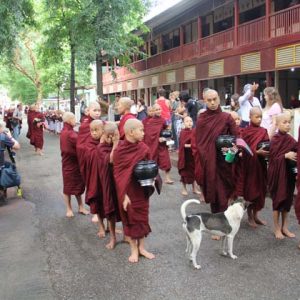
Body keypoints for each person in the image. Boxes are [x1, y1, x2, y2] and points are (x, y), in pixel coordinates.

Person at [113, 119, 156, 263]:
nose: (144, 133)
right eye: (141, 130)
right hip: (127, 191)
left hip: (141, 189)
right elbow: (118, 174)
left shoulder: (143, 148)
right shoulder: (120, 150)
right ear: (131, 132)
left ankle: (142, 248)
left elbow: (150, 166)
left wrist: (153, 178)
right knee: (130, 219)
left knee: (142, 218)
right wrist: (123, 195)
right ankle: (133, 249)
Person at [195, 89, 237, 219]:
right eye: (209, 100)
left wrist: (232, 150)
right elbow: (200, 143)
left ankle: (223, 221)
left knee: (224, 193)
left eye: (215, 99)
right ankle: (216, 221)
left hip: (224, 161)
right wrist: (208, 155)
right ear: (204, 101)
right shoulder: (202, 119)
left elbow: (237, 138)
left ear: (219, 99)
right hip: (210, 162)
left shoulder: (227, 117)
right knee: (214, 192)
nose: (213, 103)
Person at [268, 113, 297, 240]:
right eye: (284, 122)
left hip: (289, 174)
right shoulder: (275, 139)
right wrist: (285, 156)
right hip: (277, 175)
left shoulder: (291, 139)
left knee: (287, 201)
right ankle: (276, 228)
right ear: (278, 124)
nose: (287, 124)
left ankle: (285, 227)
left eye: (288, 122)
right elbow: (272, 159)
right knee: (278, 201)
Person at [242, 107, 269, 228]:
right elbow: (244, 149)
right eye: (256, 117)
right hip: (250, 167)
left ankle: (256, 215)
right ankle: (249, 216)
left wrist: (267, 152)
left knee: (260, 191)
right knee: (251, 191)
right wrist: (256, 152)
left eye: (260, 117)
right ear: (250, 116)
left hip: (261, 165)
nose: (259, 119)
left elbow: (267, 144)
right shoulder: (245, 132)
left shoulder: (263, 131)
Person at [96, 122, 121, 249]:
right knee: (111, 209)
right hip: (107, 181)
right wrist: (115, 144)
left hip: (120, 181)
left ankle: (127, 235)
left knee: (123, 208)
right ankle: (112, 237)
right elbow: (111, 160)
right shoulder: (101, 147)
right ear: (104, 135)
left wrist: (117, 143)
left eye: (113, 136)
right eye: (109, 136)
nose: (111, 139)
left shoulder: (120, 144)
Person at [60, 112, 89, 218]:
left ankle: (81, 207)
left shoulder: (67, 131)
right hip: (70, 162)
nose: (75, 120)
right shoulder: (69, 133)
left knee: (77, 185)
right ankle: (69, 209)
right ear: (68, 120)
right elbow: (80, 146)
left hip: (73, 163)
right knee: (67, 187)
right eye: (73, 118)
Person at [76, 102, 101, 224]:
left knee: (102, 186)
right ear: (88, 111)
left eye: (99, 111)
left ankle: (101, 212)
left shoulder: (99, 123)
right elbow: (81, 145)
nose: (97, 113)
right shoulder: (85, 125)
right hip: (90, 159)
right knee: (93, 185)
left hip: (100, 159)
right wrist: (90, 152)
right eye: (95, 110)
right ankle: (95, 212)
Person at [84, 120, 106, 236]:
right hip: (95, 179)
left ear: (103, 130)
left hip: (106, 178)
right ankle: (101, 227)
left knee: (109, 202)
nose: (93, 133)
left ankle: (110, 227)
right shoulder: (90, 143)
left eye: (96, 130)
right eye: (91, 130)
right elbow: (91, 156)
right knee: (98, 203)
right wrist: (101, 145)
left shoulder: (108, 142)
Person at [143, 104, 174, 184]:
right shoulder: (150, 122)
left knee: (166, 160)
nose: (158, 111)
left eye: (159, 109)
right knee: (154, 160)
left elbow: (165, 130)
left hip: (162, 144)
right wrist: (157, 139)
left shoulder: (163, 120)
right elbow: (148, 135)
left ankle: (167, 178)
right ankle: (155, 178)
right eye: (156, 110)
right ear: (153, 111)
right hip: (153, 144)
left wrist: (165, 137)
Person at [178, 116, 201, 196]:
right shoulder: (183, 132)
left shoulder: (195, 131)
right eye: (187, 121)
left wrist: (194, 146)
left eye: (191, 121)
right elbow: (182, 145)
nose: (189, 123)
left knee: (194, 172)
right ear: (184, 123)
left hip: (193, 155)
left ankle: (194, 188)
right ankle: (184, 188)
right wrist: (192, 145)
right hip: (185, 156)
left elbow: (198, 142)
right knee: (185, 173)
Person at [0, 121, 20, 205]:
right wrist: (10, 137)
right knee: (9, 167)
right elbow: (17, 146)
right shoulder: (2, 136)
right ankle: (2, 191)